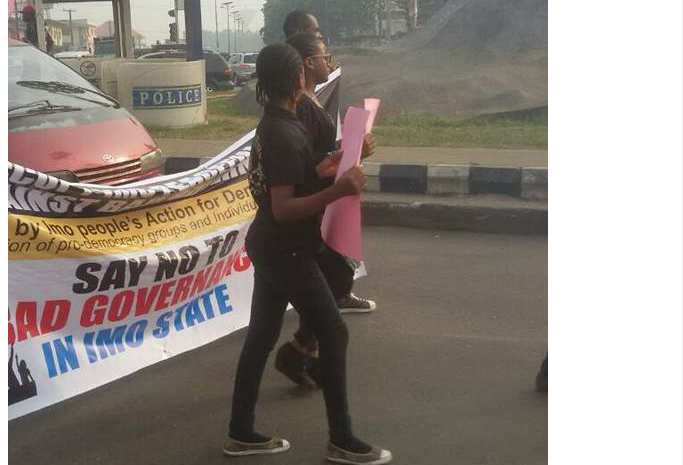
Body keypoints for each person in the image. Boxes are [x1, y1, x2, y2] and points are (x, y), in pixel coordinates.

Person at [223, 43, 392, 465]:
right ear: (296, 77)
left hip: (274, 245)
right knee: (333, 332)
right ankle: (341, 440)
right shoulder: (281, 131)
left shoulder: (281, 123)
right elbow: (283, 208)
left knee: (262, 335)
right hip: (287, 249)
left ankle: (241, 433)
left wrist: (336, 161)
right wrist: (340, 188)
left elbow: (301, 176)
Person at [273, 31, 378, 389]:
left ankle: (305, 351)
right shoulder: (295, 111)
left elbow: (315, 158)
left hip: (320, 203)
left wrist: (351, 152)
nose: (328, 62)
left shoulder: (312, 101)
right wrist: (339, 165)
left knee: (334, 280)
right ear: (306, 63)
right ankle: (305, 352)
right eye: (323, 54)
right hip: (311, 212)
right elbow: (303, 166)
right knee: (333, 281)